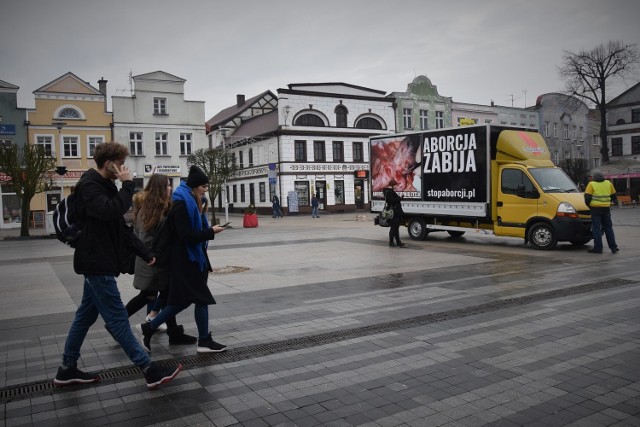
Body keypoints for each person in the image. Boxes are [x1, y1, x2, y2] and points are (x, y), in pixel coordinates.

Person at [54, 142, 182, 390]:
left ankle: (67, 369)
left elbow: (121, 230)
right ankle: (149, 369)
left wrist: (144, 253)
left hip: (100, 262)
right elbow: (111, 212)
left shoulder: (104, 187)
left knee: (84, 317)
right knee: (118, 320)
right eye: (121, 163)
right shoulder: (90, 186)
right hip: (96, 263)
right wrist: (127, 185)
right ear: (108, 164)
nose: (125, 167)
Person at [141, 165, 228, 353]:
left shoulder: (190, 201)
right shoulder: (182, 204)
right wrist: (211, 232)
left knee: (186, 301)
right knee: (196, 299)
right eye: (204, 186)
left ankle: (152, 328)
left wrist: (208, 231)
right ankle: (203, 340)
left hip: (192, 260)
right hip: (185, 261)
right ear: (195, 186)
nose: (206, 190)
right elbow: (186, 236)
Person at [127, 174, 196, 346]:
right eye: (167, 185)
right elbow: (144, 239)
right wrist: (157, 254)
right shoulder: (150, 210)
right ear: (159, 189)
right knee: (150, 295)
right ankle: (116, 324)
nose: (170, 188)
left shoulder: (160, 207)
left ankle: (173, 333)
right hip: (152, 261)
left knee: (164, 294)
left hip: (156, 260)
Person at [584, 171, 619, 254]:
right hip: (606, 209)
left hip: (595, 209)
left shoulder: (591, 184)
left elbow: (587, 198)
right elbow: (614, 196)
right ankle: (613, 247)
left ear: (593, 178)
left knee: (596, 229)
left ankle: (598, 248)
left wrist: (590, 207)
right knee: (608, 228)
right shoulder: (608, 183)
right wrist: (612, 202)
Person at [383, 180, 407, 248]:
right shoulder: (389, 192)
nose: (396, 186)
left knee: (396, 228)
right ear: (392, 185)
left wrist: (399, 198)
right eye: (395, 185)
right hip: (393, 213)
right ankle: (391, 242)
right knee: (393, 228)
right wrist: (399, 198)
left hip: (395, 213)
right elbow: (391, 201)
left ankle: (398, 242)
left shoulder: (390, 192)